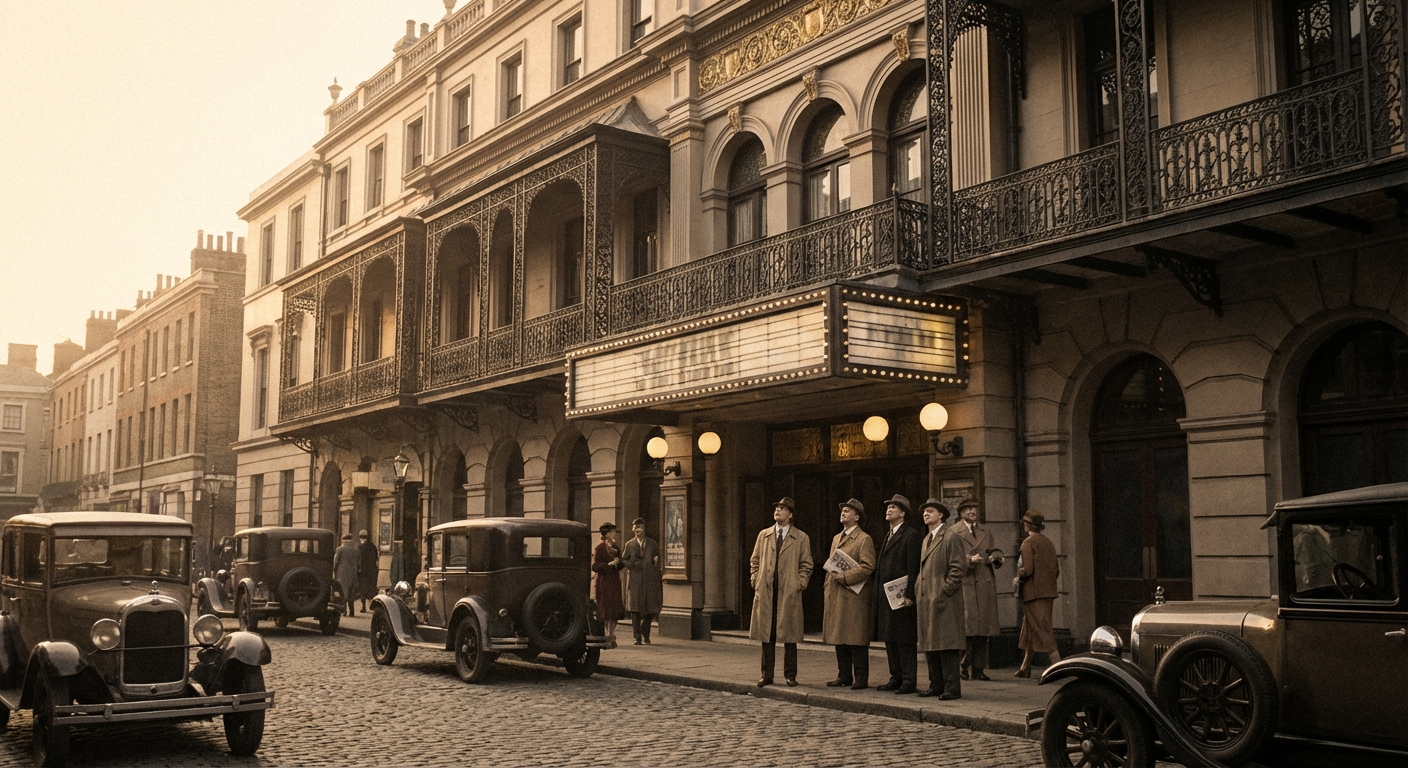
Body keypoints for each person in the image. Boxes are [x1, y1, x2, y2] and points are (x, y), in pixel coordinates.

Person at [749, 497, 813, 687]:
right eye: (777, 508)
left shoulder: (801, 537)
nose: (778, 511)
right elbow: (755, 560)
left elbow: (806, 565)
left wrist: (799, 583)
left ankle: (790, 675)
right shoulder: (764, 535)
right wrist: (756, 580)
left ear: (790, 515)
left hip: (788, 591)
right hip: (767, 591)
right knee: (767, 635)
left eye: (783, 508)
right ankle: (766, 674)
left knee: (789, 636)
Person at [915, 499, 967, 699]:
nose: (926, 514)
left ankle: (952, 688)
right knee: (931, 644)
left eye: (930, 511)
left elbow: (958, 568)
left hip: (944, 600)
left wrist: (944, 591)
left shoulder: (950, 536)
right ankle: (936, 684)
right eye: (924, 512)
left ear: (941, 515)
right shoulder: (926, 539)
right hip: (927, 599)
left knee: (947, 645)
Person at [822, 498, 875, 690]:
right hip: (837, 592)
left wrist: (846, 576)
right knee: (840, 636)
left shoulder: (864, 539)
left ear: (857, 517)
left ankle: (861, 677)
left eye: (847, 511)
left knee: (856, 637)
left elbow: (868, 566)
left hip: (854, 595)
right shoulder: (837, 538)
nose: (843, 513)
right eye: (842, 510)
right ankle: (843, 675)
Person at [873, 494, 922, 694]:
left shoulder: (911, 535)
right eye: (888, 507)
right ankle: (896, 677)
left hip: (902, 596)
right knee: (890, 637)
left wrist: (910, 594)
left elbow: (913, 567)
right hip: (887, 595)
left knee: (904, 639)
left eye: (893, 507)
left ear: (902, 513)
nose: (889, 510)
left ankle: (908, 680)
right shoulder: (888, 534)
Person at [954, 498, 1003, 681]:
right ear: (961, 513)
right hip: (966, 584)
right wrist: (968, 560)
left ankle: (978, 669)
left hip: (984, 583)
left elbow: (993, 550)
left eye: (974, 508)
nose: (972, 512)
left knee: (983, 630)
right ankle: (962, 666)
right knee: (967, 630)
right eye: (968, 509)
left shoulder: (985, 531)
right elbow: (951, 559)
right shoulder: (953, 532)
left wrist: (996, 557)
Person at [1015, 511, 1062, 678]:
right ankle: (1025, 667)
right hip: (1048, 592)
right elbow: (1056, 570)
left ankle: (1059, 667)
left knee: (1042, 630)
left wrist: (1019, 572)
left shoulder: (1027, 543)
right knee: (1030, 628)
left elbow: (1027, 569)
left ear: (1027, 525)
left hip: (1033, 594)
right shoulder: (1048, 542)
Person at [622, 517, 662, 645]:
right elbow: (624, 560)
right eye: (635, 528)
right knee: (635, 609)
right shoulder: (629, 544)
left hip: (649, 580)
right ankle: (637, 637)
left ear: (644, 528)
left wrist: (656, 561)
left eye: (639, 527)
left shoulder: (652, 544)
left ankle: (645, 632)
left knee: (650, 609)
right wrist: (632, 565)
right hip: (635, 581)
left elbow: (658, 559)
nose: (637, 530)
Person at [592, 522, 626, 637]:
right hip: (604, 582)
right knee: (606, 609)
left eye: (614, 532)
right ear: (606, 534)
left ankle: (611, 634)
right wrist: (608, 565)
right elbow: (595, 566)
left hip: (614, 581)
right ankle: (608, 634)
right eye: (612, 532)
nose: (614, 534)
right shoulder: (599, 548)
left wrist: (618, 563)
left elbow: (621, 564)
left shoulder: (615, 547)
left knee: (615, 609)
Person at [334, 533, 361, 618]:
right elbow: (359, 562)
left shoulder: (340, 549)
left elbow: (336, 562)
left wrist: (335, 571)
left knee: (342, 591)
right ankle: (352, 612)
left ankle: (344, 611)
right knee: (351, 592)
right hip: (353, 572)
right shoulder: (356, 549)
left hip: (342, 572)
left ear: (344, 541)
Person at [357, 530, 379, 611]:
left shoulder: (359, 547)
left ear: (359, 537)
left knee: (362, 589)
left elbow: (357, 560)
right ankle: (372, 605)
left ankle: (363, 607)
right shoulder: (372, 546)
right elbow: (376, 558)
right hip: (372, 571)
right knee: (372, 588)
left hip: (363, 571)